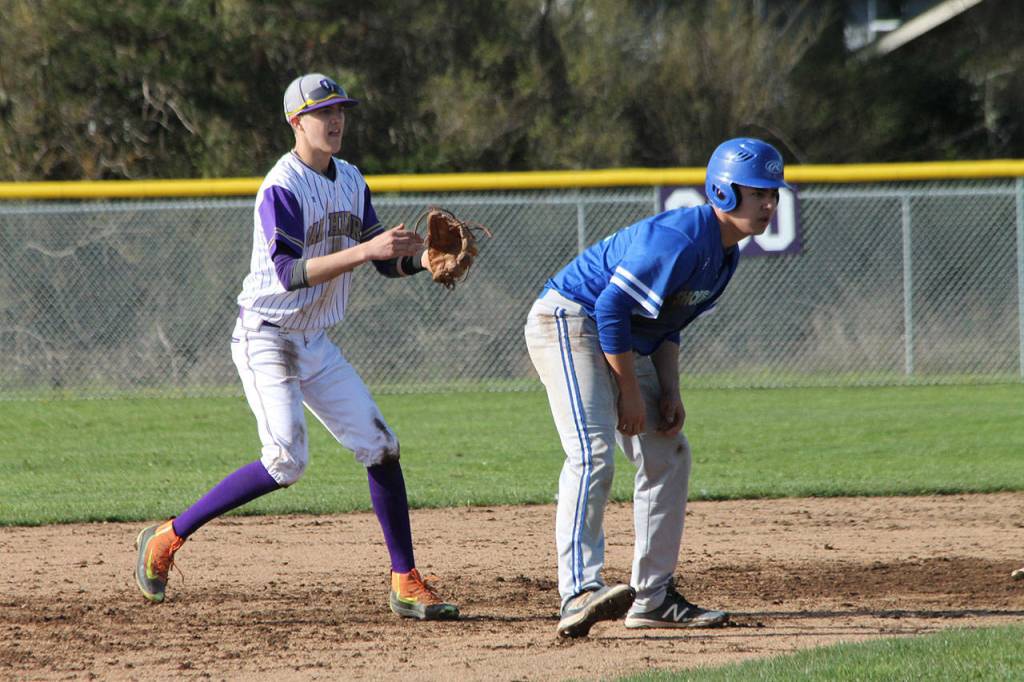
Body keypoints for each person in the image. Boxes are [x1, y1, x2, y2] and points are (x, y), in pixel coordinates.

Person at [134, 73, 459, 621]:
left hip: (314, 339)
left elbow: (381, 257)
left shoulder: (352, 179)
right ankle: (167, 536)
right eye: (322, 112)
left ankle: (404, 579)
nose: (335, 121)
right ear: (296, 122)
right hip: (267, 335)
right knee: (286, 460)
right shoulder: (281, 187)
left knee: (381, 446)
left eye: (341, 111)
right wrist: (365, 252)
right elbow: (287, 273)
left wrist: (421, 261)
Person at [524, 137, 791, 637]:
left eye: (774, 193)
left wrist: (669, 390)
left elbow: (668, 323)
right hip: (569, 318)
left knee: (669, 450)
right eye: (758, 193)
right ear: (723, 191)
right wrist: (628, 391)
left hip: (623, 337)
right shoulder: (684, 238)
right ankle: (578, 591)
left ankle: (653, 598)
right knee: (592, 450)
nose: (769, 204)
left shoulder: (726, 253)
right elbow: (609, 309)